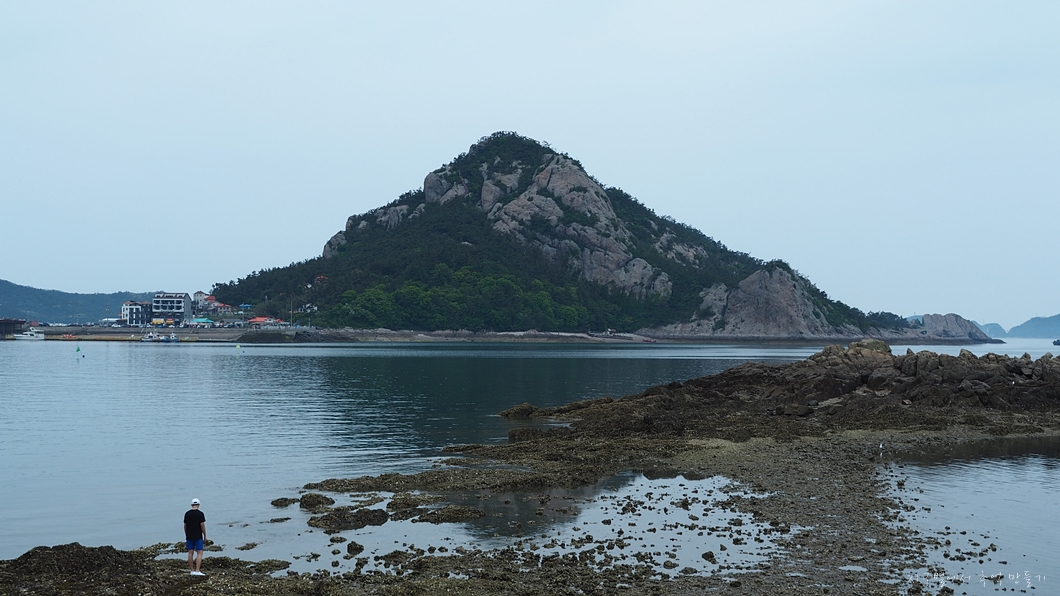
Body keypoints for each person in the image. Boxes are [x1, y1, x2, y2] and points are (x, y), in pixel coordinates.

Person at [183, 498, 207, 576]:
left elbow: (185, 525)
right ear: (199, 505)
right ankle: (197, 570)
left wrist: (186, 534)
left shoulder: (187, 514)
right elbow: (202, 525)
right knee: (199, 552)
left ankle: (192, 570)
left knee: (190, 552)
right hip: (198, 536)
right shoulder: (200, 514)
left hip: (189, 535)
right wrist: (205, 535)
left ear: (191, 505)